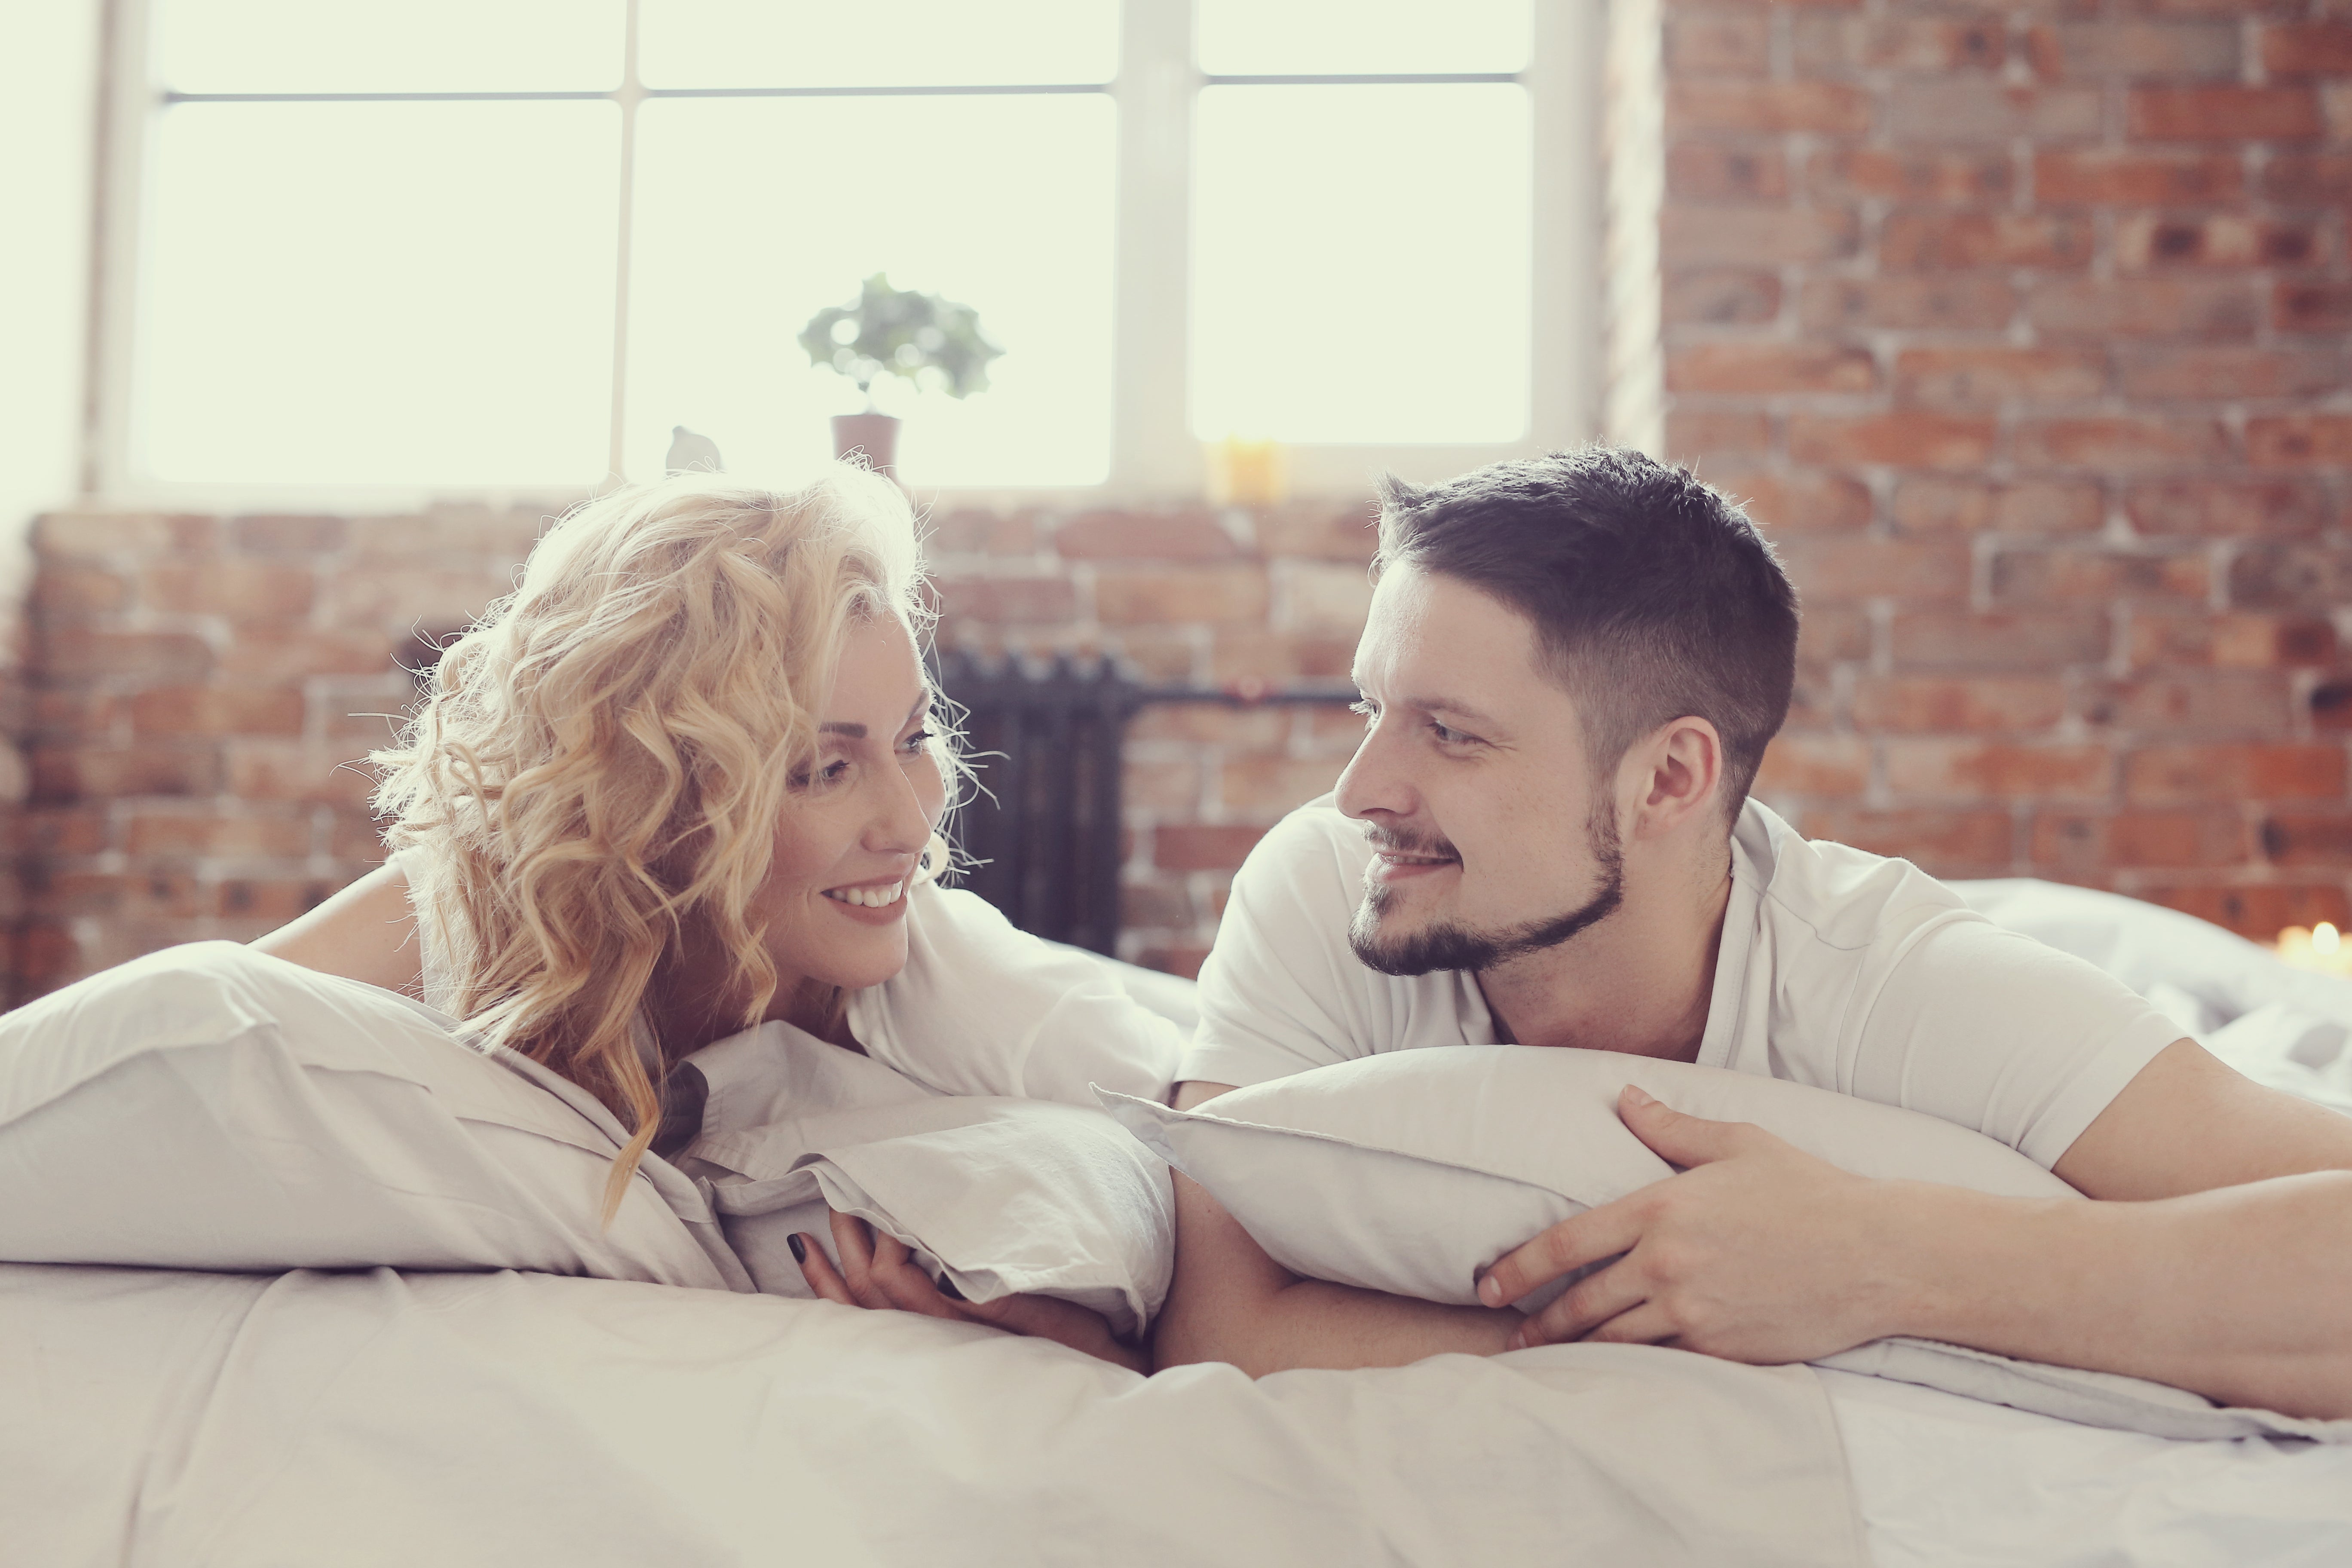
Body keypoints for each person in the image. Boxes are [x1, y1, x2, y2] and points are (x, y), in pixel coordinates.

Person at [1152, 447, 2352, 1420]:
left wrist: (1879, 1259)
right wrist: (1663, 1334)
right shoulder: (1327, 886)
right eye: (1371, 708)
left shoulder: (1904, 986)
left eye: (1450, 733)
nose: (1362, 786)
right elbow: (1216, 1332)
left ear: (1670, 779)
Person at [259, 466, 1177, 1371]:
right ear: (657, 799)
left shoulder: (955, 983)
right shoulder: (475, 915)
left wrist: (1089, 1345)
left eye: (913, 741)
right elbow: (177, 1037)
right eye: (825, 768)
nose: (910, 825)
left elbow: (1223, 1152)